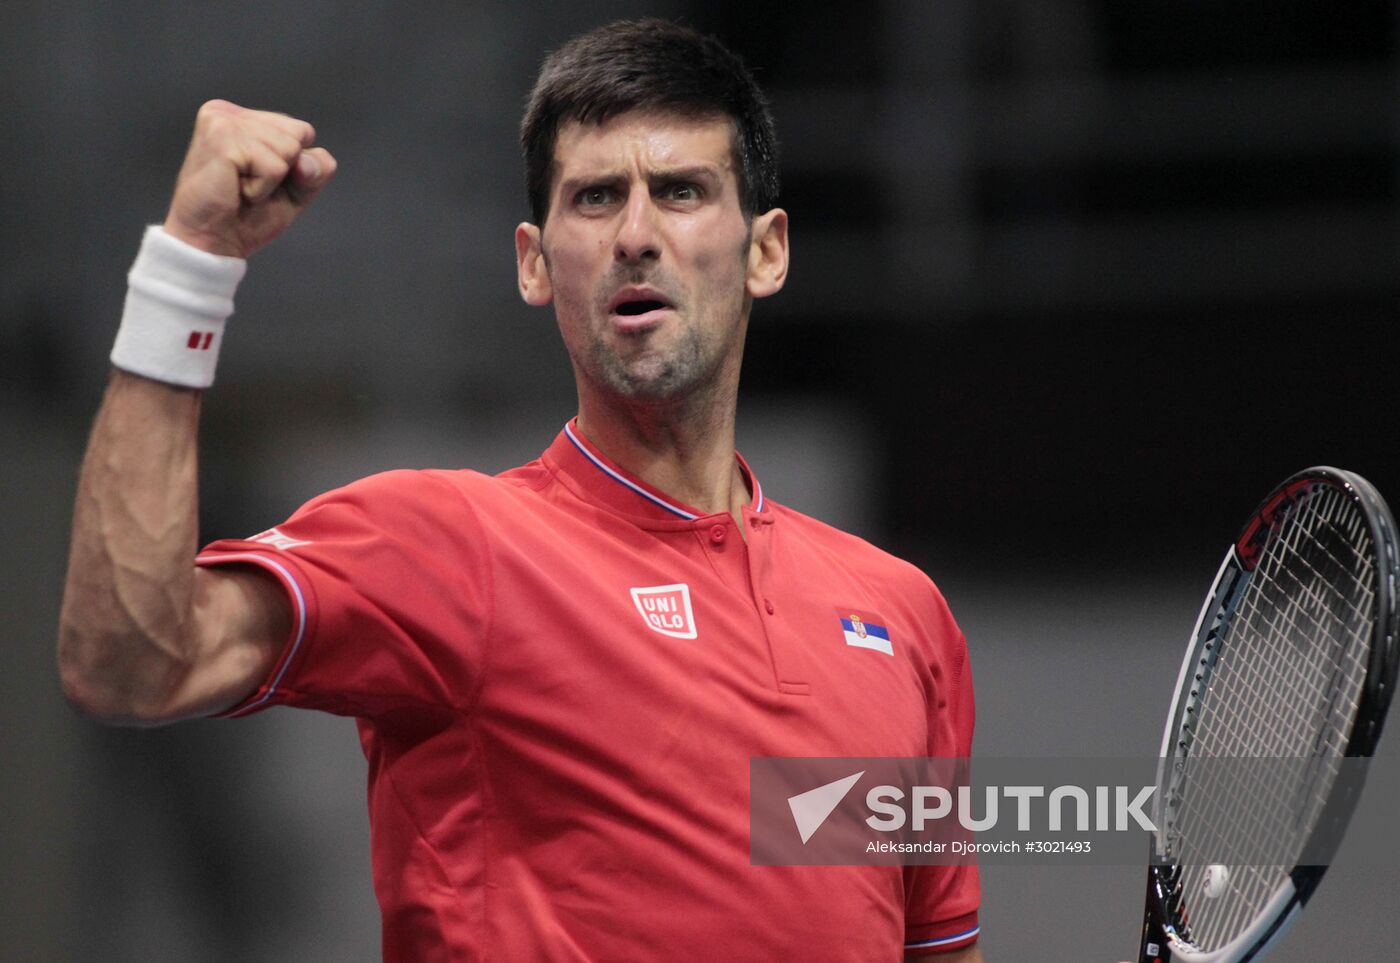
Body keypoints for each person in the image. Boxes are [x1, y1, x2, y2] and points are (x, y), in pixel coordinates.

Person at [58, 18, 982, 962]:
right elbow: (130, 662)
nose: (635, 235)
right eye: (594, 198)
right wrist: (190, 263)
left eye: (681, 192)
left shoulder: (901, 616)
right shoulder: (448, 543)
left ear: (766, 252)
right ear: (535, 263)